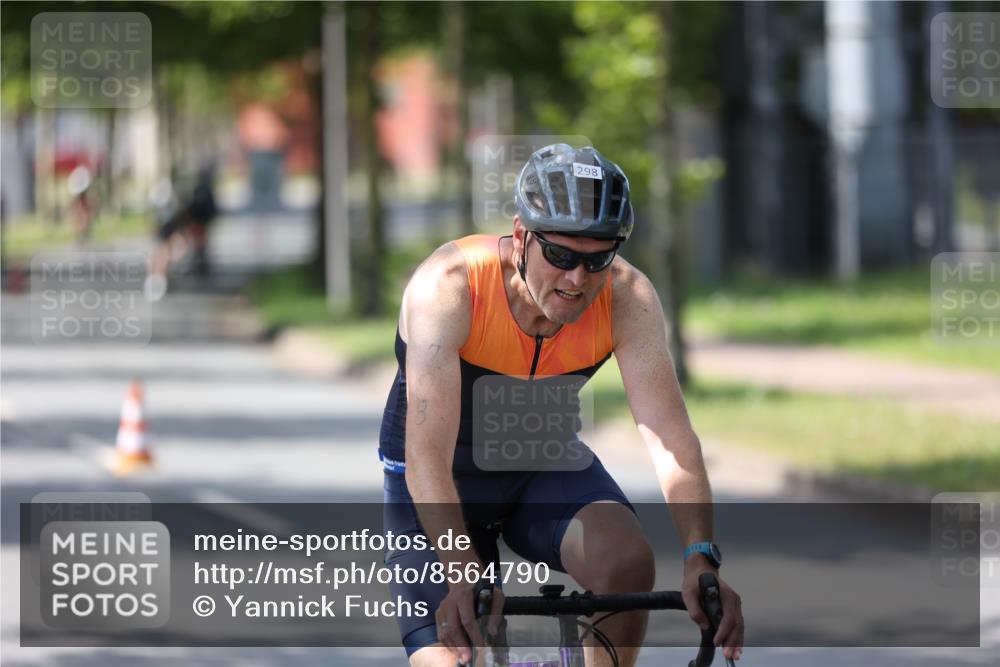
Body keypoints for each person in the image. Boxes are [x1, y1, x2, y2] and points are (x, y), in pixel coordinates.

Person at [380, 143, 744, 667]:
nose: (578, 279)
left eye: (598, 258)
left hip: (536, 458)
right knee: (452, 660)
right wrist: (464, 573)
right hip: (436, 477)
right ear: (522, 236)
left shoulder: (627, 297)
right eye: (561, 256)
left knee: (627, 559)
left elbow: (671, 440)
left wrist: (699, 556)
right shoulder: (450, 286)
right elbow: (427, 454)